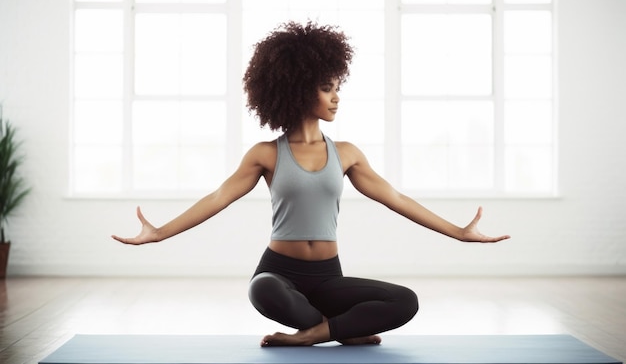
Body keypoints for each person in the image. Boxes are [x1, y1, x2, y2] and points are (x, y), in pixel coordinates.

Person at [112, 21, 510, 347]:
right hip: (279, 272)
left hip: (328, 278)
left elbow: (396, 198)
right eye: (327, 88)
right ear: (299, 87)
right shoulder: (265, 154)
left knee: (405, 301)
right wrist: (160, 233)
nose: (336, 98)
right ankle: (340, 329)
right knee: (262, 289)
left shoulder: (348, 153)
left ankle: (311, 334)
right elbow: (218, 198)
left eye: (338, 87)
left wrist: (458, 233)